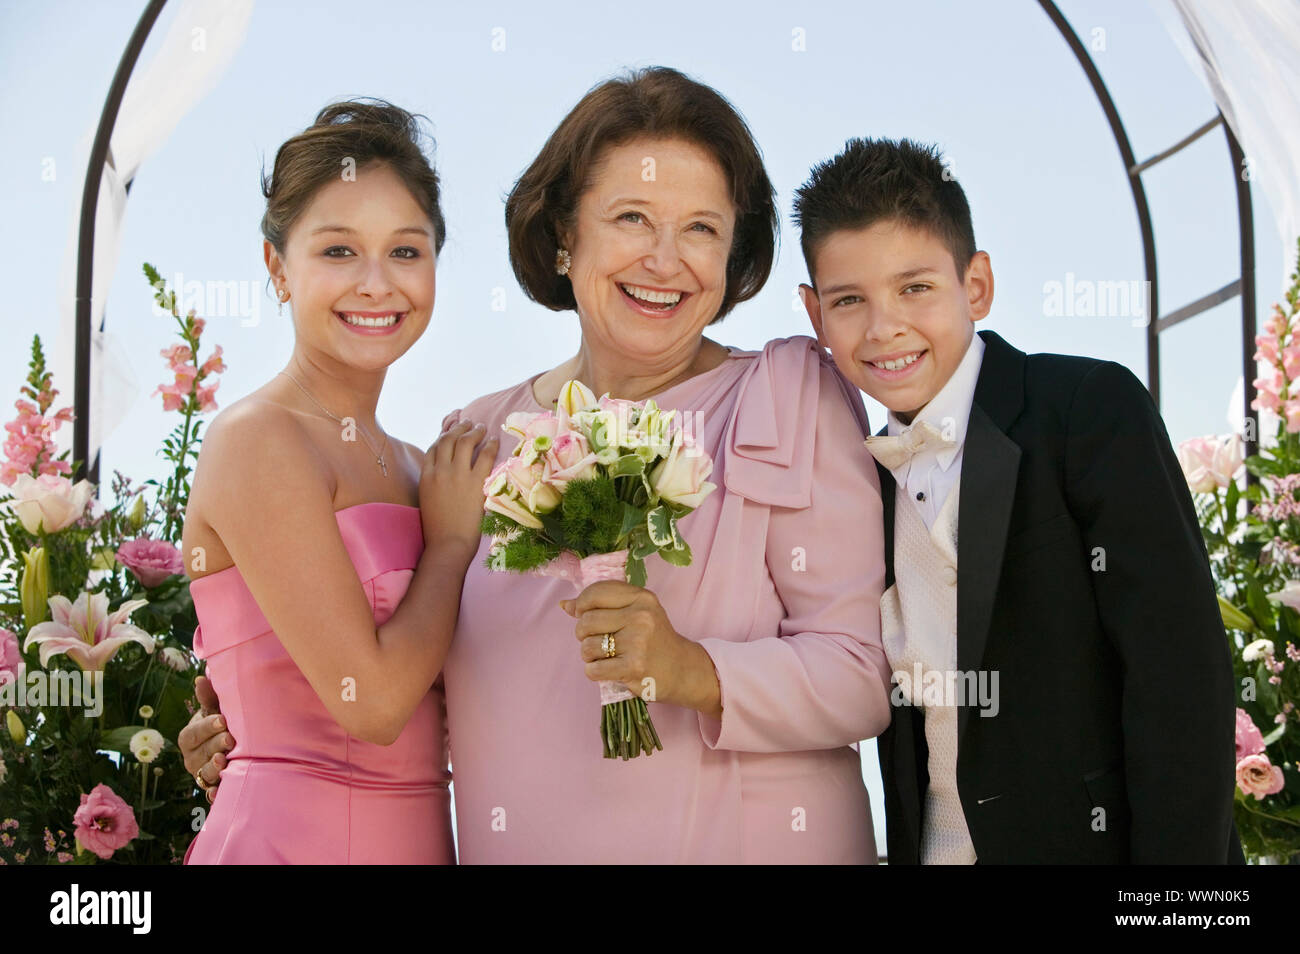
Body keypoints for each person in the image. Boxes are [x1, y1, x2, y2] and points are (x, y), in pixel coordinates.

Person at [184, 66, 894, 864]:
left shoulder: (788, 397)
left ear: (734, 254)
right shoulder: (473, 441)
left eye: (701, 228)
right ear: (564, 235)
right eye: (632, 217)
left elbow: (860, 675)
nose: (665, 260)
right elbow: (422, 683)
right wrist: (252, 721)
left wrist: (692, 670)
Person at [793, 136, 1244, 863]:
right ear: (816, 315)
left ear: (976, 285)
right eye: (849, 301)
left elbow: (1180, 680)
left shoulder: (1086, 410)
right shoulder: (853, 477)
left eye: (915, 288)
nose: (884, 328)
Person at [178, 100, 496, 864]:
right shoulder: (258, 439)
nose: (378, 284)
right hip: (290, 840)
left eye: (406, 252)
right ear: (276, 268)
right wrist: (451, 546)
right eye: (339, 252)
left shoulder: (426, 467)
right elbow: (377, 704)